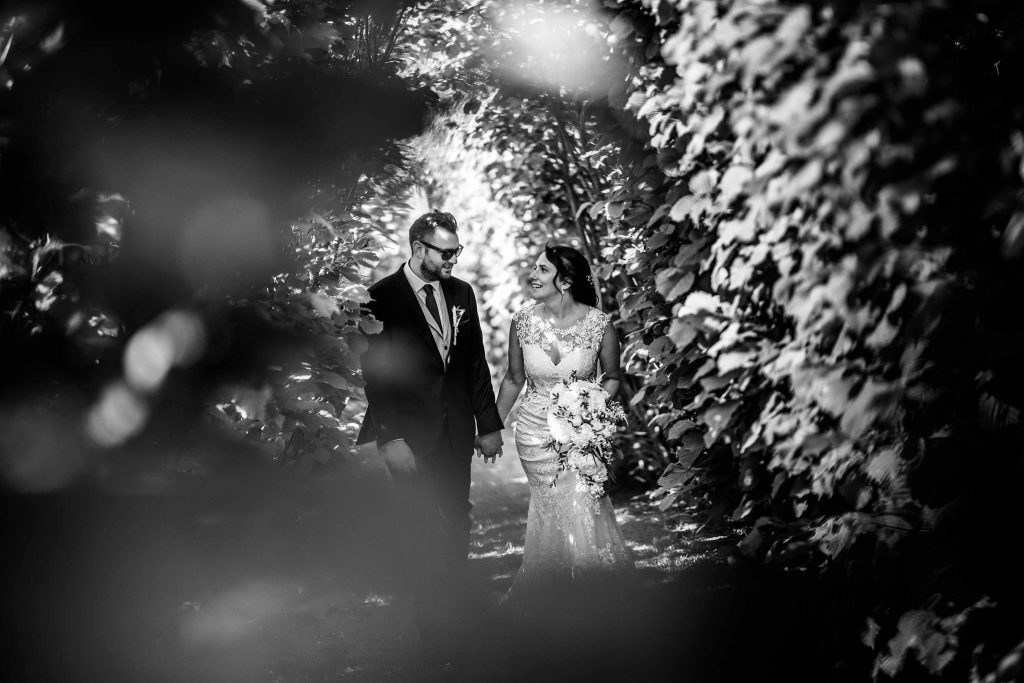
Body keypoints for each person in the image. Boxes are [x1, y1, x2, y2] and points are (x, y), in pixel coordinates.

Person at [356, 210, 504, 656]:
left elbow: (474, 361)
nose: (453, 259)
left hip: (456, 430)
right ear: (418, 247)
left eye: (457, 250)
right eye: (446, 251)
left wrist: (489, 423)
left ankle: (456, 618)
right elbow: (375, 377)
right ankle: (432, 634)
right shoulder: (379, 298)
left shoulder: (461, 293)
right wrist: (391, 438)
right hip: (409, 438)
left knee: (458, 521)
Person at [494, 244, 634, 610]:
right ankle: (553, 590)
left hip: (580, 435)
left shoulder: (599, 324)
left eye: (542, 270)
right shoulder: (522, 322)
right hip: (534, 434)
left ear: (566, 281)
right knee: (551, 507)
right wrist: (492, 426)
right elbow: (513, 379)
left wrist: (591, 408)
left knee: (583, 503)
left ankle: (591, 591)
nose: (533, 275)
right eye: (534, 268)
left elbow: (613, 377)